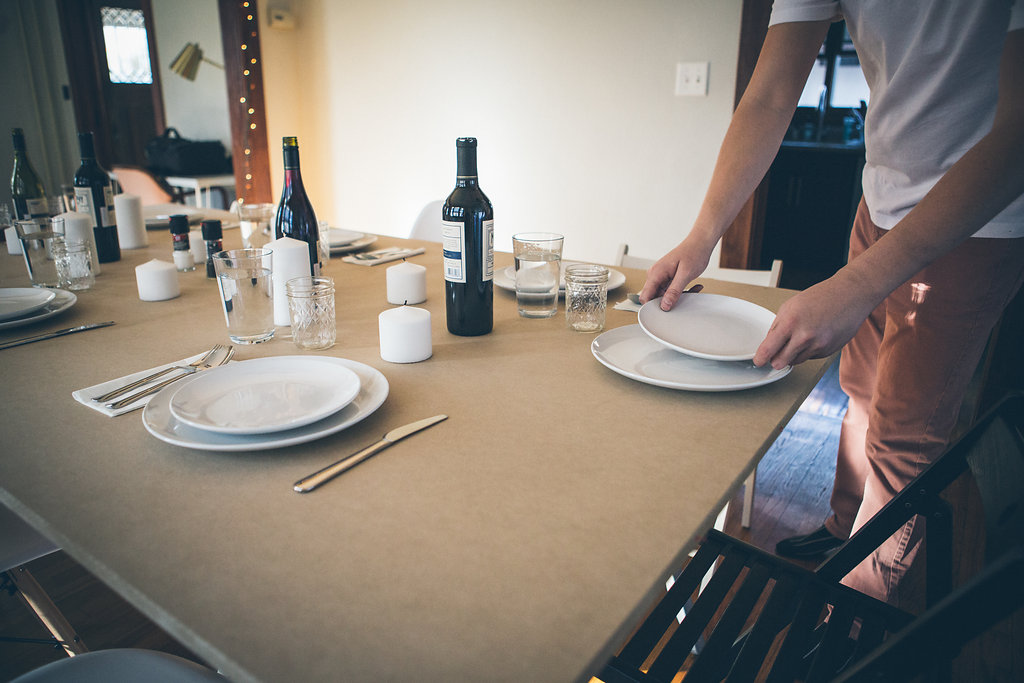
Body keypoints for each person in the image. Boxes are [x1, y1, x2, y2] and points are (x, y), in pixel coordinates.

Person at [640, 0, 1024, 610]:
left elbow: (1017, 135)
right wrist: (701, 234)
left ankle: (855, 615)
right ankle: (843, 530)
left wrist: (854, 285)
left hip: (973, 222)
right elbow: (769, 95)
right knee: (861, 389)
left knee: (905, 432)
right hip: (881, 201)